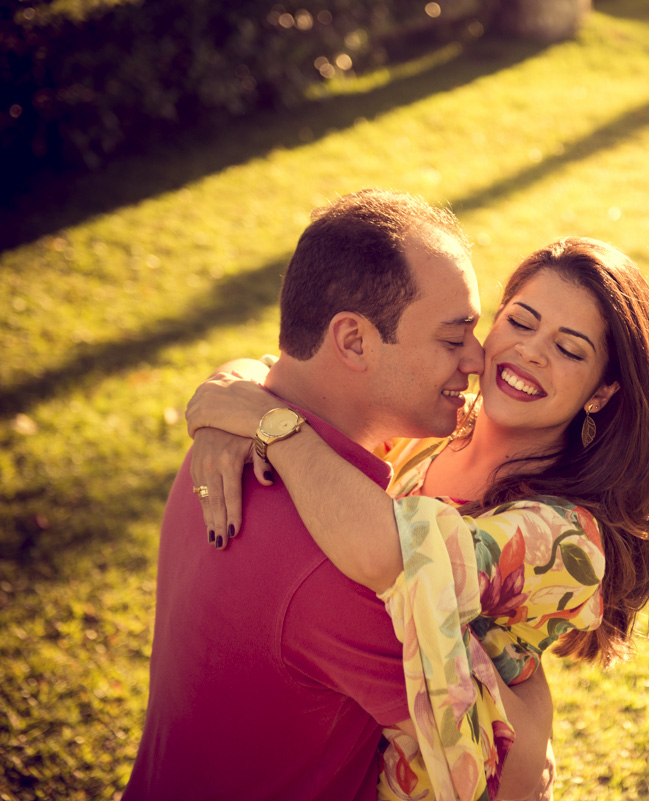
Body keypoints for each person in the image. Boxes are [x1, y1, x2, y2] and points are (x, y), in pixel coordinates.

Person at [184, 236, 649, 798]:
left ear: (602, 392)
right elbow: (300, 377)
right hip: (327, 759)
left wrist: (271, 424)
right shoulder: (438, 425)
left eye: (569, 349)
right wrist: (227, 391)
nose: (531, 352)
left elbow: (393, 555)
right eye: (520, 322)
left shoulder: (565, 538)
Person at [124, 189, 555, 801]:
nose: (477, 358)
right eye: (452, 337)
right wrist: (529, 678)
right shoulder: (347, 565)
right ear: (352, 341)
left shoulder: (224, 444)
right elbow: (508, 778)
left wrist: (234, 382)